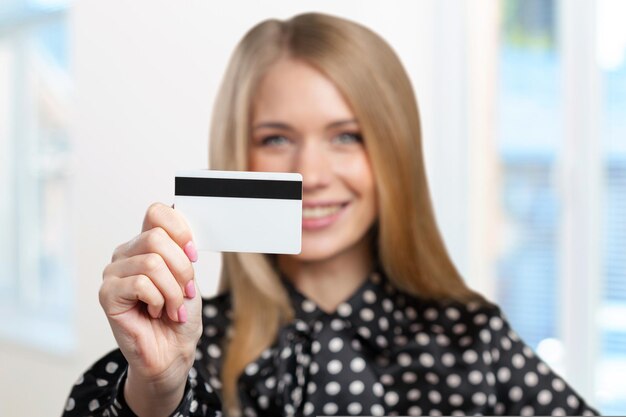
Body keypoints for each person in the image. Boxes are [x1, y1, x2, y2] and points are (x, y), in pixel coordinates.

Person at [62, 12, 599, 417]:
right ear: (239, 156)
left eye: (346, 136)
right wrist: (157, 388)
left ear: (393, 151)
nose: (312, 172)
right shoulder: (175, 349)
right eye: (276, 138)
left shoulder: (471, 338)